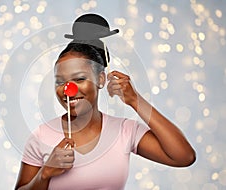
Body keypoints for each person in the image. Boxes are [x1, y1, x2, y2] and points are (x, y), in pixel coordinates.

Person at [15, 13, 196, 190]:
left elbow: (184, 157)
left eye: (79, 79)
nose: (67, 89)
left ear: (100, 79)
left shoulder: (124, 130)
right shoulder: (41, 136)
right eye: (60, 82)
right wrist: (45, 173)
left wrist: (135, 100)